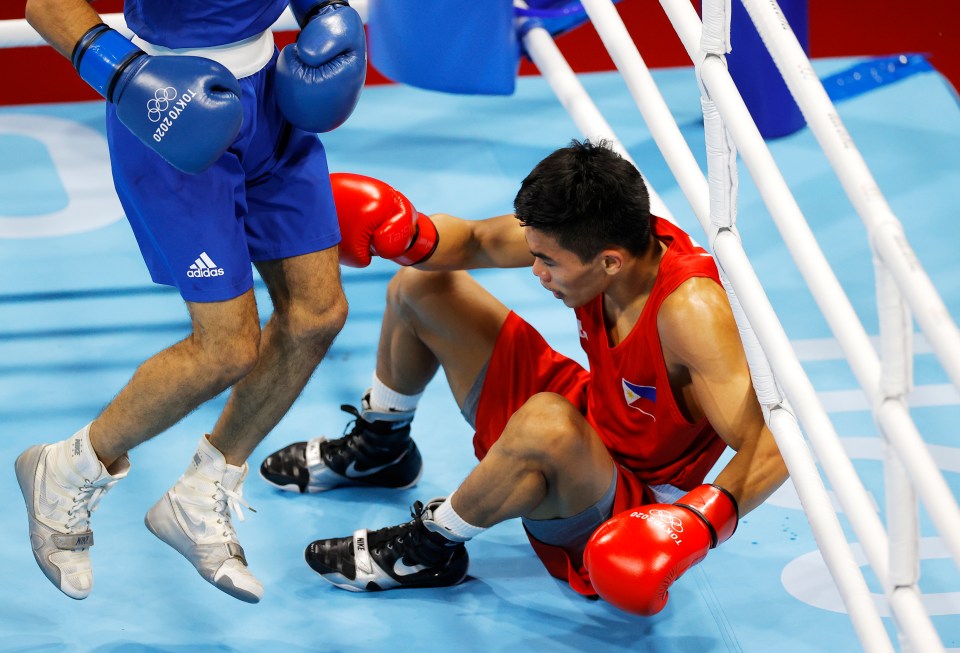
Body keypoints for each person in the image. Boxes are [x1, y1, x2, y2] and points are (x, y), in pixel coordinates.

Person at [259, 140, 789, 613]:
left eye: (548, 263)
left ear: (610, 263)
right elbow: (475, 242)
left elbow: (775, 444)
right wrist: (409, 235)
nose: (537, 273)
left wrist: (695, 525)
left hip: (630, 503)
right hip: (593, 416)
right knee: (422, 286)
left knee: (546, 421)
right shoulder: (598, 232)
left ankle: (429, 548)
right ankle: (382, 447)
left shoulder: (690, 311)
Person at [15, 0, 366, 603]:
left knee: (317, 314)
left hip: (270, 100)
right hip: (168, 102)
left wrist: (324, 12)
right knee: (225, 347)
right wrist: (123, 74)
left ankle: (202, 489)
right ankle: (68, 466)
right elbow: (47, 6)